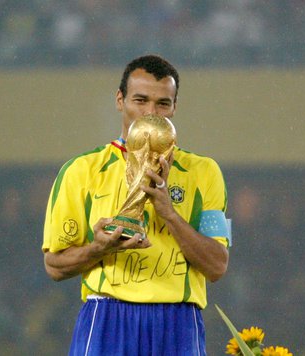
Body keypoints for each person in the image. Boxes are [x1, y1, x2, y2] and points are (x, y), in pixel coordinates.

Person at [42, 54, 231, 355]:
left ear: (174, 107)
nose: (150, 114)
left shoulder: (204, 173)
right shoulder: (81, 171)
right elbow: (54, 265)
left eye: (162, 104)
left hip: (178, 321)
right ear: (120, 100)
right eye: (140, 100)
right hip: (107, 317)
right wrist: (99, 248)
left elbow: (217, 265)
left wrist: (169, 213)